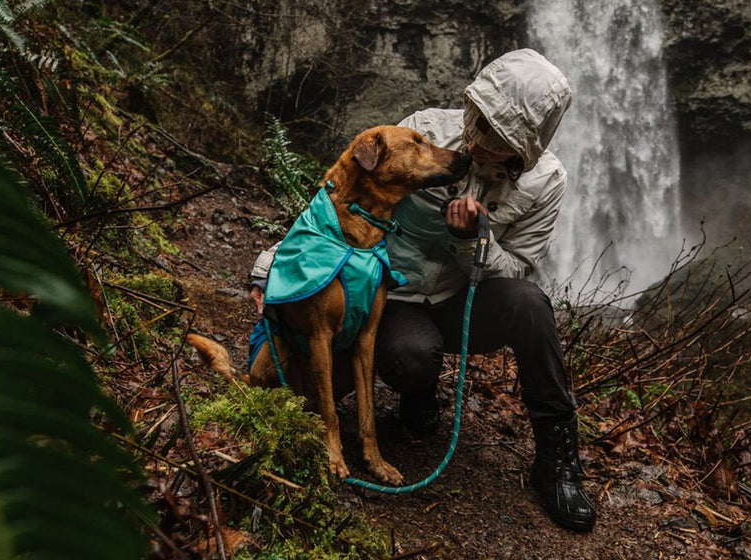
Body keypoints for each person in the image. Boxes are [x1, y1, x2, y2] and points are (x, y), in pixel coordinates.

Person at [248, 49, 595, 532]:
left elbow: (516, 269)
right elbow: (339, 195)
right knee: (407, 356)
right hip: (396, 298)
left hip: (462, 298)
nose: (476, 139)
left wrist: (469, 242)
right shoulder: (422, 132)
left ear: (525, 147)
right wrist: (271, 268)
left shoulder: (546, 182)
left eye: (495, 137)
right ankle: (417, 389)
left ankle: (558, 460)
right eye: (477, 120)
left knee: (531, 305)